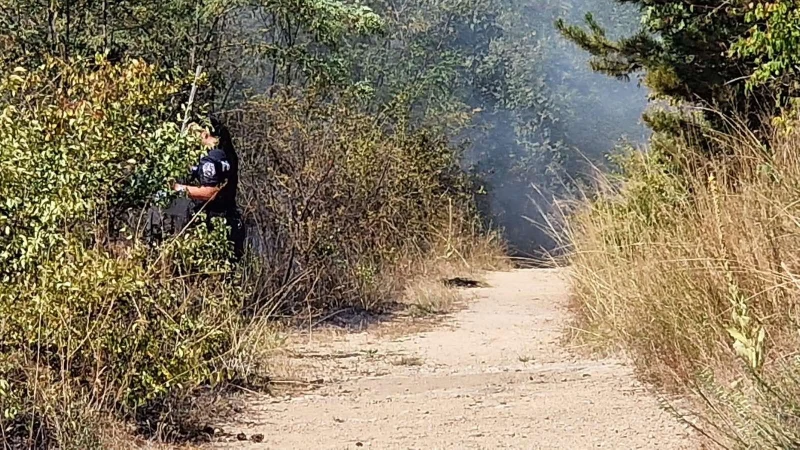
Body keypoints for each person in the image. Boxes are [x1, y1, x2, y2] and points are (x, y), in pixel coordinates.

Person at [173, 116, 244, 260]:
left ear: (204, 133)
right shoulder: (226, 152)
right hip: (230, 221)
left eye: (192, 135)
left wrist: (176, 188)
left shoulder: (211, 159)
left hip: (215, 224)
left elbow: (210, 192)